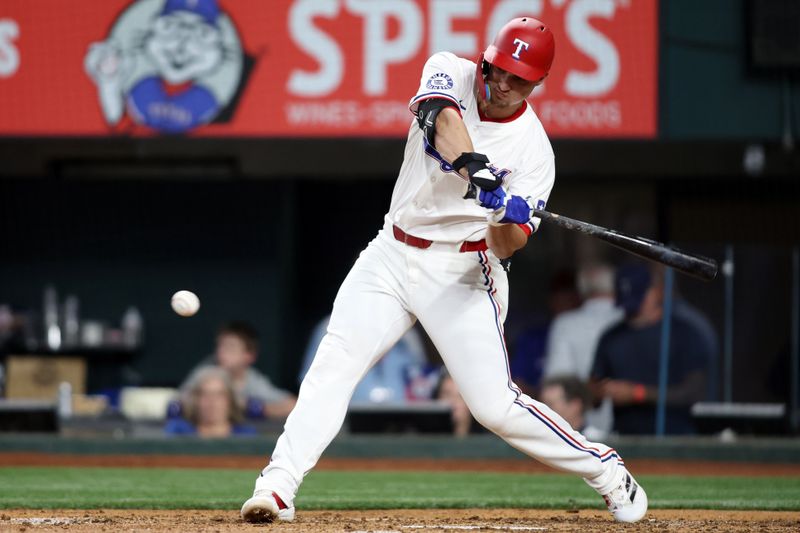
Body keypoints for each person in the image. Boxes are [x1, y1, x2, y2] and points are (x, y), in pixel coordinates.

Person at [241, 17, 647, 524]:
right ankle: (277, 487)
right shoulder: (449, 71)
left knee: (493, 407)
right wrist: (478, 171)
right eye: (497, 69)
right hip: (391, 251)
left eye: (518, 78)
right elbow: (441, 119)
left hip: (463, 268)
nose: (501, 84)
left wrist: (506, 215)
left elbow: (507, 246)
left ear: (537, 85)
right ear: (485, 60)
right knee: (332, 367)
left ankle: (605, 469)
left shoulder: (535, 155)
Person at [590, 264, 710, 435]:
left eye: (639, 299)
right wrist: (602, 391)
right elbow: (594, 393)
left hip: (676, 435)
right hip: (625, 435)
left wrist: (638, 393)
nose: (632, 309)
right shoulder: (611, 337)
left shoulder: (683, 332)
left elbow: (694, 392)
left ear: (656, 292)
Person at [542, 262, 623, 434]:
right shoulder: (630, 320)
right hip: (631, 424)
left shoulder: (565, 323)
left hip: (580, 429)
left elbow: (557, 381)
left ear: (581, 291)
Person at [299, 315, 428, 404]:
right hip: (344, 430)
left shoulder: (408, 334)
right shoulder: (332, 328)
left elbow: (422, 388)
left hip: (401, 428)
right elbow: (311, 390)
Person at [181, 321, 296, 420]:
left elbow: (292, 405)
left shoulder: (252, 380)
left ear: (249, 356)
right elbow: (177, 404)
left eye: (230, 347)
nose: (222, 352)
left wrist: (261, 409)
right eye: (220, 346)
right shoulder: (206, 373)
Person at [166, 366, 256, 437]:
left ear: (230, 400)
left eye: (219, 395)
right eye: (205, 394)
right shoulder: (178, 431)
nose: (212, 401)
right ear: (196, 400)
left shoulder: (245, 434)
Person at [539, 375, 606, 441]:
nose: (542, 410)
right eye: (542, 404)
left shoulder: (598, 443)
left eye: (550, 404)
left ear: (575, 405)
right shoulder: (540, 440)